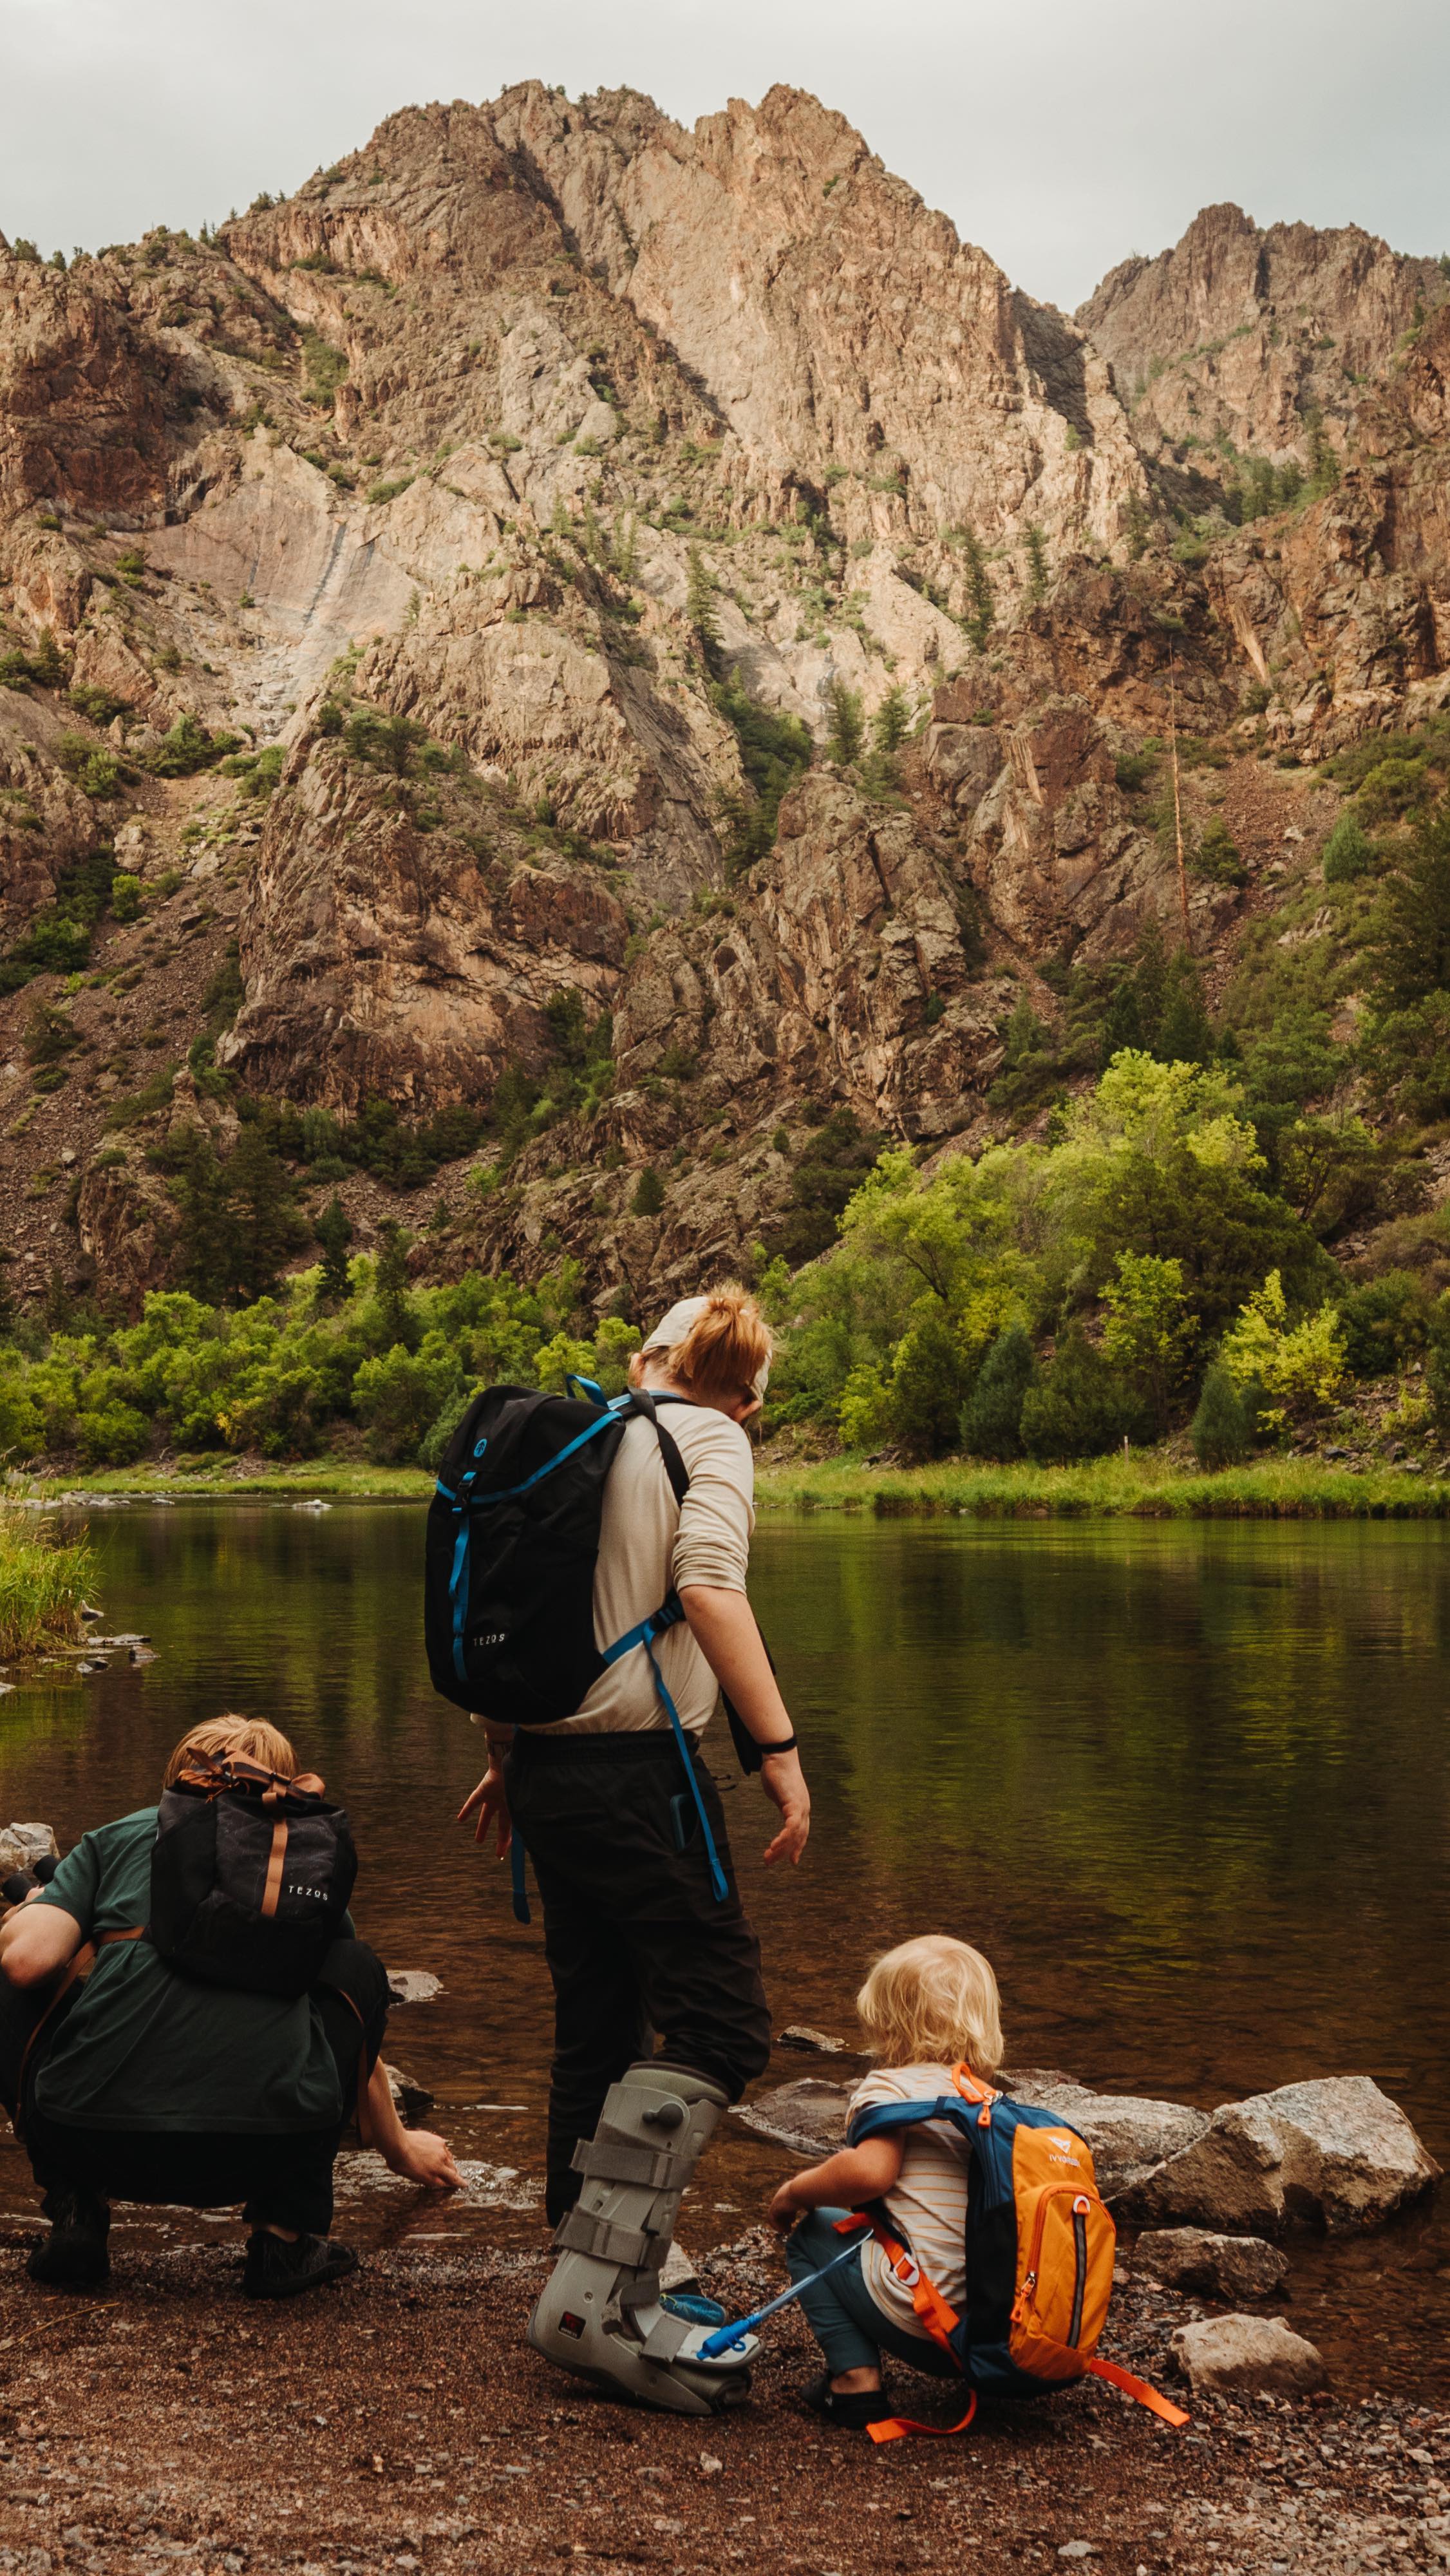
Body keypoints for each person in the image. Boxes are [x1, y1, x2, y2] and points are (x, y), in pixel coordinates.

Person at [458, 1285, 810, 2409]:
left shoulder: (575, 1436)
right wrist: (777, 1750)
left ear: (640, 1356)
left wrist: (511, 1757)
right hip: (639, 1772)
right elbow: (707, 1588)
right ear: (750, 1398)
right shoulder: (709, 1438)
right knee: (721, 2020)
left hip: (550, 1766)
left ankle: (592, 2272)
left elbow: (504, 1612)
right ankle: (595, 2299)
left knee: (597, 2017)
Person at [0, 1714, 460, 2296]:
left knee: (9, 1971)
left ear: (175, 1778)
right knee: (357, 1966)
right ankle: (283, 2241)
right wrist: (398, 2148)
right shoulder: (297, 1860)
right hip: (261, 2153)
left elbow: (27, 1964)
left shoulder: (118, 1837)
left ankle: (76, 2217)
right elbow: (347, 2009)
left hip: (93, 2141)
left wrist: (41, 1910)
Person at [766, 1934, 1003, 2428]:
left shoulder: (892, 2089)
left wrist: (793, 2192)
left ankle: (854, 2384)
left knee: (815, 2233)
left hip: (929, 2327)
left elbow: (869, 2174)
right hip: (994, 2333)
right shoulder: (989, 2103)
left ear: (887, 2022)